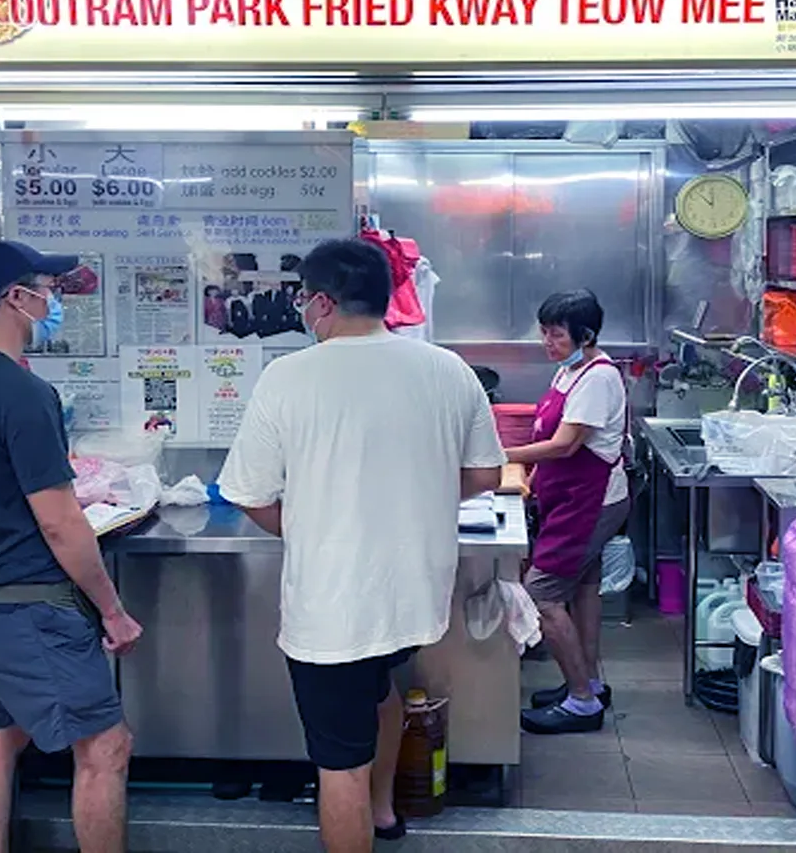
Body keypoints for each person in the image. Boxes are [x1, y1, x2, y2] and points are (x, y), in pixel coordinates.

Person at [218, 239, 505, 853]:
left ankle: (365, 809)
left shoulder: (289, 376)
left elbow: (248, 492)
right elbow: (485, 474)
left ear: (320, 302)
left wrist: (309, 526)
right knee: (385, 692)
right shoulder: (446, 368)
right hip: (412, 597)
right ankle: (382, 813)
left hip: (334, 604)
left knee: (337, 765)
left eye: (302, 300)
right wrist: (418, 500)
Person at [0, 241, 142, 853]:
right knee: (105, 747)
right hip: (26, 606)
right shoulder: (21, 392)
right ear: (17, 298)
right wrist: (112, 610)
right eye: (48, 286)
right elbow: (61, 523)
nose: (54, 298)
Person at [507, 290, 631, 735]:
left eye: (556, 334)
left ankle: (581, 702)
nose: (547, 341)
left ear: (585, 335)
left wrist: (501, 453)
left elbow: (565, 444)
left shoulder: (597, 377)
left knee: (541, 592)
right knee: (583, 589)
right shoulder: (570, 371)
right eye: (543, 331)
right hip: (573, 499)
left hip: (590, 503)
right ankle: (589, 684)